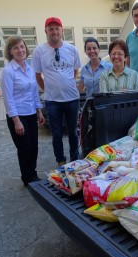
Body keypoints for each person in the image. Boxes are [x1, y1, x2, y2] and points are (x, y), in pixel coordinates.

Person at [32, 17, 81, 167]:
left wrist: (65, 85)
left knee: (73, 132)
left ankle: (75, 160)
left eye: (57, 28)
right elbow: (37, 75)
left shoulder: (72, 49)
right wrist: (49, 89)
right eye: (51, 28)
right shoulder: (40, 51)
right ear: (46, 31)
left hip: (72, 99)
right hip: (52, 101)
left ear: (62, 30)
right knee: (57, 134)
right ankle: (60, 161)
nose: (54, 31)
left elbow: (75, 70)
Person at [0, 36, 45, 186]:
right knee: (24, 148)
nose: (20, 50)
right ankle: (27, 178)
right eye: (16, 48)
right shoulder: (8, 71)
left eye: (22, 46)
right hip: (18, 116)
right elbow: (8, 98)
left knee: (33, 147)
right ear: (10, 52)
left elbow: (34, 92)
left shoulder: (30, 68)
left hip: (31, 113)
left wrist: (39, 111)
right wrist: (16, 121)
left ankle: (33, 174)